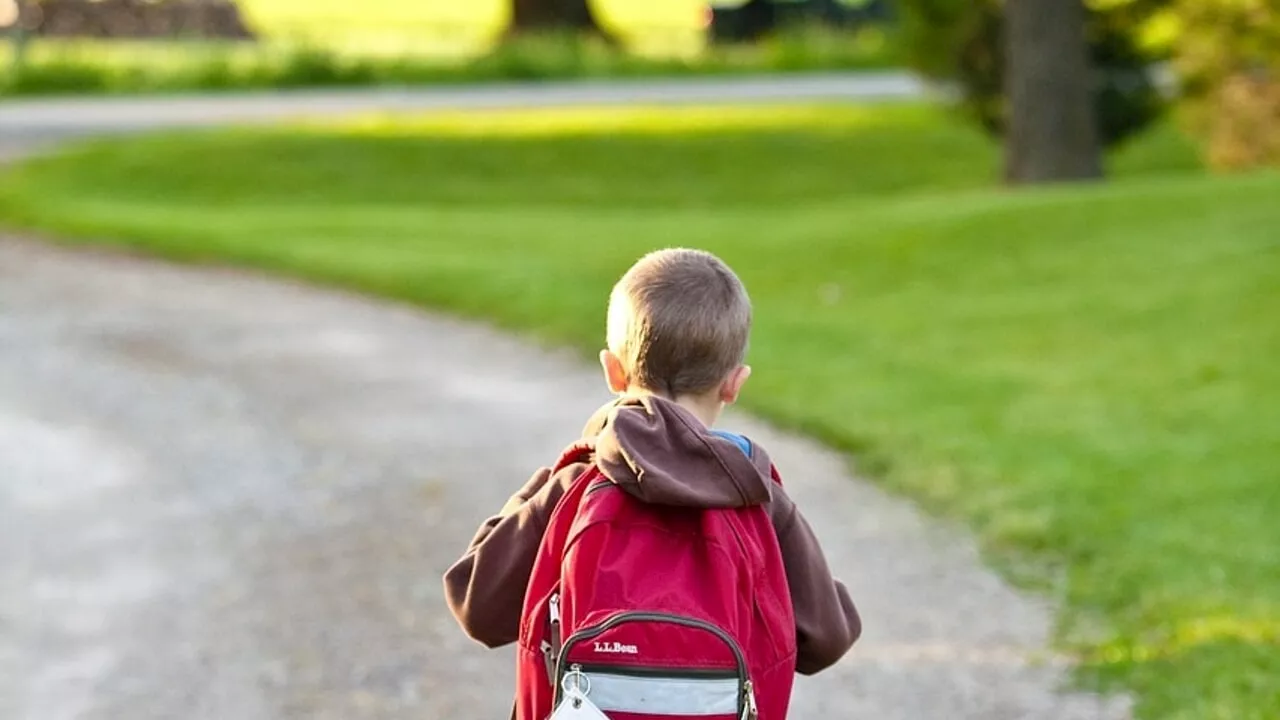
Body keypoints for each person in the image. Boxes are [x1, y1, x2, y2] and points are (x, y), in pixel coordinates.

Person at [444, 248, 860, 718]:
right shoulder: (757, 497)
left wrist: (548, 479)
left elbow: (477, 605)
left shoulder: (575, 487)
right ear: (734, 383)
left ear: (612, 371)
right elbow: (827, 639)